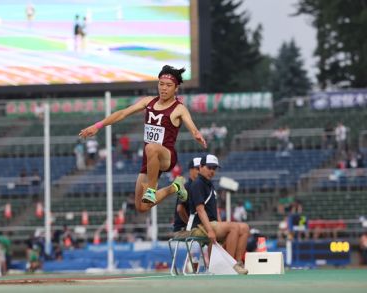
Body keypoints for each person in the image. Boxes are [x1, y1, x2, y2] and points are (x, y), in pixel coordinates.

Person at [80, 65, 207, 213]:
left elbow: (191, 126)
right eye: (161, 84)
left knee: (151, 147)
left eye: (168, 85)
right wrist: (98, 125)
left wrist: (196, 133)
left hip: (166, 156)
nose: (164, 88)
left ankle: (151, 190)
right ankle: (175, 187)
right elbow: (122, 113)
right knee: (141, 207)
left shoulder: (179, 108)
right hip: (150, 160)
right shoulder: (148, 101)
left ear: (176, 88)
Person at [188, 154, 249, 274]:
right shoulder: (198, 184)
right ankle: (230, 266)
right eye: (209, 167)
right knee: (234, 227)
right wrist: (210, 230)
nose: (212, 171)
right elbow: (200, 210)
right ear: (201, 167)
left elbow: (214, 210)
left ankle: (238, 263)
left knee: (245, 227)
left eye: (214, 168)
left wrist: (222, 225)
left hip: (212, 223)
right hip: (199, 226)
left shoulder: (209, 184)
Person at [172, 157, 201, 237]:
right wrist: (190, 225)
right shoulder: (187, 187)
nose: (200, 171)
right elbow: (180, 209)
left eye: (201, 168)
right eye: (197, 168)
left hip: (189, 228)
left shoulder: (197, 186)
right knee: (211, 233)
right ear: (190, 170)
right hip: (183, 229)